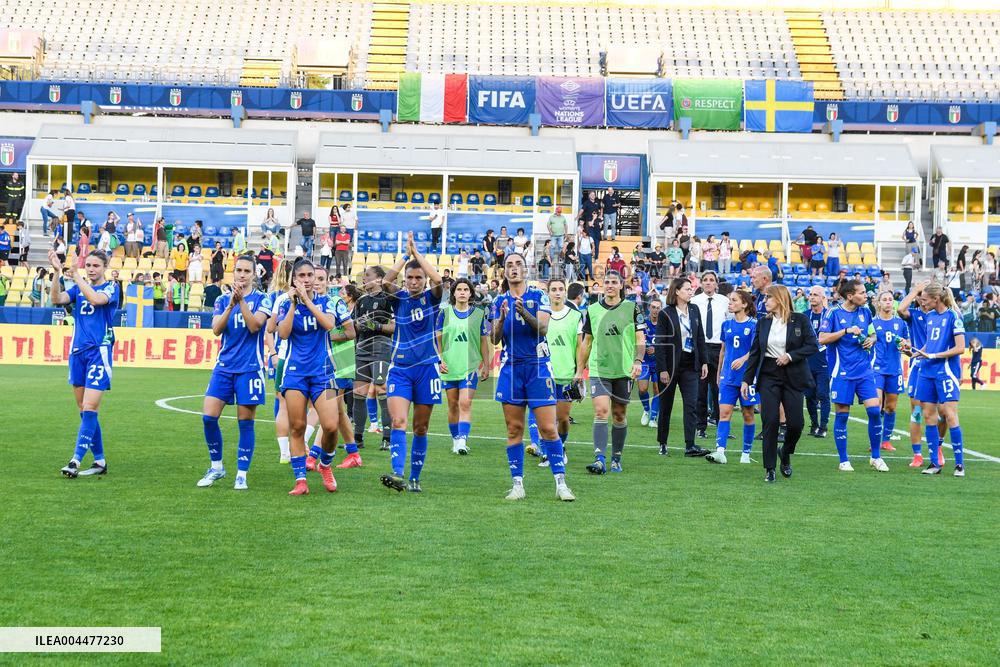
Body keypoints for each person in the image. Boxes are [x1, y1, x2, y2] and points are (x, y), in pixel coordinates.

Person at [492, 252, 575, 501]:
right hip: (511, 368)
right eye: (509, 265)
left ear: (526, 270)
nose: (514, 268)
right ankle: (517, 484)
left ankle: (561, 483)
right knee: (514, 428)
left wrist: (522, 313)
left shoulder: (539, 295)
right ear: (504, 271)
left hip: (538, 366)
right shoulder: (498, 301)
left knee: (548, 428)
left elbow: (542, 328)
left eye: (518, 264)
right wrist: (504, 317)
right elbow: (495, 338)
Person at [276, 258, 353, 495]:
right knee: (297, 426)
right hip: (294, 374)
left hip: (324, 373)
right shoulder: (284, 303)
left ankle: (325, 465)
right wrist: (292, 305)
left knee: (331, 426)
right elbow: (284, 333)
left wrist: (307, 301)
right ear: (294, 279)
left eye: (311, 275)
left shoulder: (328, 301)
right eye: (302, 276)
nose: (307, 280)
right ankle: (300, 480)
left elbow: (330, 325)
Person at [197, 255, 271, 490]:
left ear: (253, 275)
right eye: (238, 270)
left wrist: (241, 303)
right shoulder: (221, 299)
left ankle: (242, 473)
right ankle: (216, 467)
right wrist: (231, 303)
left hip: (250, 369)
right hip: (224, 367)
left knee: (245, 422)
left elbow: (254, 326)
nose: (241, 274)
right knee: (208, 417)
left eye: (246, 271)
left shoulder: (262, 299)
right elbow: (216, 330)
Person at [380, 233, 444, 493]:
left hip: (427, 369)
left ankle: (415, 476)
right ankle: (397, 473)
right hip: (401, 370)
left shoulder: (432, 297)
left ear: (424, 280)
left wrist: (417, 254)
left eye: (419, 278)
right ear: (405, 280)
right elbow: (385, 281)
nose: (414, 282)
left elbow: (439, 280)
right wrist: (405, 256)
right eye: (410, 278)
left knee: (421, 427)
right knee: (398, 422)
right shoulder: (400, 298)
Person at [48, 248, 118, 478]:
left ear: (105, 268)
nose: (91, 269)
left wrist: (76, 275)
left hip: (99, 352)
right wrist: (58, 273)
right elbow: (57, 299)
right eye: (88, 265)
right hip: (77, 353)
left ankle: (75, 461)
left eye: (96, 266)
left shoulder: (111, 287)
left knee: (89, 407)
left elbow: (97, 300)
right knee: (85, 410)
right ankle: (100, 461)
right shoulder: (78, 288)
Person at [740, 285, 818, 482]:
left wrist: (791, 356)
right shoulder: (762, 323)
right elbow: (756, 352)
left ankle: (786, 452)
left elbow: (812, 346)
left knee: (796, 424)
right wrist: (746, 380)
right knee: (770, 421)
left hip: (793, 374)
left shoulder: (800, 319)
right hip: (769, 374)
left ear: (780, 299)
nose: (764, 301)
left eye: (768, 298)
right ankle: (769, 469)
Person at [575, 271, 646, 474]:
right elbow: (586, 343)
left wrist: (638, 361)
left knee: (619, 414)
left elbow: (640, 339)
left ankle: (616, 457)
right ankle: (599, 459)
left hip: (624, 370)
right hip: (599, 369)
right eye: (607, 282)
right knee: (601, 411)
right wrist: (580, 370)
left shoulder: (632, 308)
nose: (610, 285)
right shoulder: (592, 310)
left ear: (621, 285)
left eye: (614, 282)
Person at [819, 280, 889, 473]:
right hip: (842, 372)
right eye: (862, 292)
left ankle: (876, 456)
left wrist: (871, 340)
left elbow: (873, 334)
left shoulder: (866, 312)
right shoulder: (833, 313)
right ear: (850, 296)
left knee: (875, 411)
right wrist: (846, 331)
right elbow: (822, 338)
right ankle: (843, 460)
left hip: (865, 371)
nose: (866, 295)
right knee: (842, 415)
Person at [913, 283, 966, 477]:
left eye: (925, 299)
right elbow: (930, 344)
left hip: (945, 371)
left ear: (936, 299)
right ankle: (935, 463)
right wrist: (918, 353)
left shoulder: (953, 317)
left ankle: (959, 465)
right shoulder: (930, 317)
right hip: (926, 371)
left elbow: (960, 348)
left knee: (949, 414)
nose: (922, 302)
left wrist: (934, 356)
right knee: (928, 416)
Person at [655, 277, 709, 457]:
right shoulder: (666, 313)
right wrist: (662, 369)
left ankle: (690, 445)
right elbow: (661, 343)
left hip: (690, 364)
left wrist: (704, 362)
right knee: (666, 406)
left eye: (691, 288)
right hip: (670, 366)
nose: (691, 291)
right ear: (677, 291)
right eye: (687, 288)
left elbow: (700, 337)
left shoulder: (694, 310)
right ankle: (662, 442)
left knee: (691, 404)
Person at [437, 278, 491, 455]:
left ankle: (462, 440)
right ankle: (455, 439)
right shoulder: (444, 313)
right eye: (458, 289)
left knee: (465, 403)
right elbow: (437, 338)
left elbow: (484, 341)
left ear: (470, 293)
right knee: (452, 405)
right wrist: (440, 359)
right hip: (449, 366)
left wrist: (486, 365)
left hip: (470, 366)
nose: (462, 292)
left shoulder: (479, 313)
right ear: (453, 293)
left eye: (465, 289)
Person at [705, 290, 758, 465]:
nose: (730, 303)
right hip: (728, 377)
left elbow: (758, 351)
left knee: (748, 414)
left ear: (744, 304)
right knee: (724, 413)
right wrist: (720, 373)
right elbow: (723, 350)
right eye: (729, 300)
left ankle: (746, 452)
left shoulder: (754, 325)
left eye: (734, 300)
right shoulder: (726, 324)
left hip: (747, 378)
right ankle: (720, 451)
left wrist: (743, 359)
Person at [538, 279, 583, 468]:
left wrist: (580, 371)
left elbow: (580, 345)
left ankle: (561, 445)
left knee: (563, 418)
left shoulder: (575, 315)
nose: (557, 292)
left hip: (566, 373)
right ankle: (550, 452)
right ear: (548, 293)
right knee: (546, 418)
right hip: (543, 374)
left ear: (565, 292)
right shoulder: (541, 315)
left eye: (561, 289)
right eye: (553, 289)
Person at [353, 266, 395, 451]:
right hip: (362, 348)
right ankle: (357, 438)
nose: (364, 278)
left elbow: (394, 327)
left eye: (367, 275)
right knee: (358, 393)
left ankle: (387, 438)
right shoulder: (361, 301)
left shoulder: (387, 300)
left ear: (379, 279)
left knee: (381, 390)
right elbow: (353, 326)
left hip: (380, 348)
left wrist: (375, 325)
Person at [871, 290, 910, 455]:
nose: (888, 302)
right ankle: (874, 441)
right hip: (877, 369)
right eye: (884, 299)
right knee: (875, 406)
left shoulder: (901, 324)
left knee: (891, 407)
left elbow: (908, 348)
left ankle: (886, 441)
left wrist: (905, 346)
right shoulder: (872, 323)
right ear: (879, 303)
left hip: (894, 370)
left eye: (890, 299)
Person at [691, 270, 727, 438]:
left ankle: (722, 425)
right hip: (701, 347)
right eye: (705, 280)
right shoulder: (694, 301)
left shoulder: (725, 301)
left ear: (716, 284)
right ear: (701, 283)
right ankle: (701, 427)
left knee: (719, 388)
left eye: (711, 280)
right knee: (701, 389)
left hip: (719, 348)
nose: (708, 283)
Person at [803, 286, 831, 438]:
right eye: (811, 295)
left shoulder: (829, 315)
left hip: (824, 360)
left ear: (822, 298)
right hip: (808, 361)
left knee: (822, 394)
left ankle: (824, 426)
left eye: (816, 295)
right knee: (809, 395)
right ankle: (814, 424)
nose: (812, 297)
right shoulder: (804, 315)